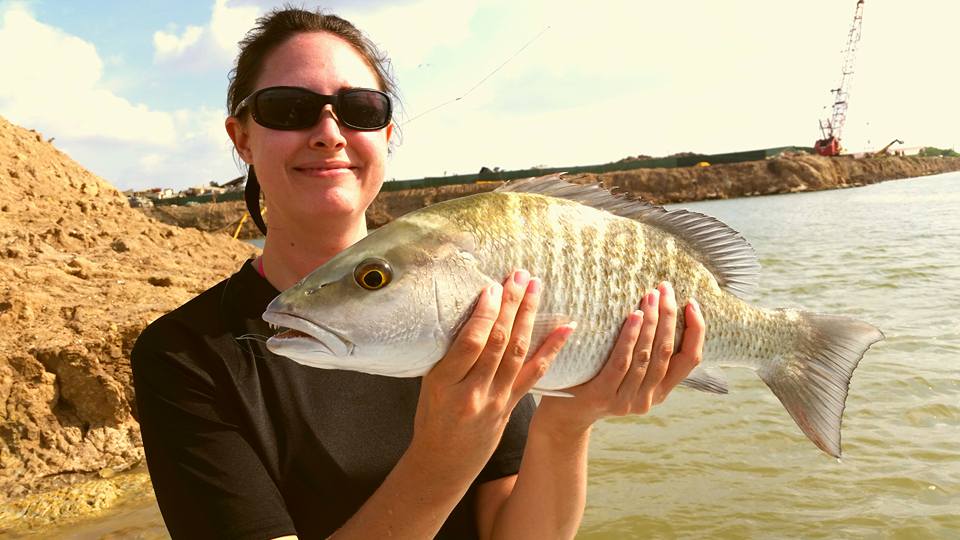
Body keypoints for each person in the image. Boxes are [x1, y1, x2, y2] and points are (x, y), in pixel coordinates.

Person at [131, 7, 705, 540]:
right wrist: (444, 453)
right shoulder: (184, 356)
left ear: (385, 136)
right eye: (286, 108)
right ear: (242, 138)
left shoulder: (469, 300)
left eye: (360, 109)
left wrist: (568, 422)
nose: (329, 132)